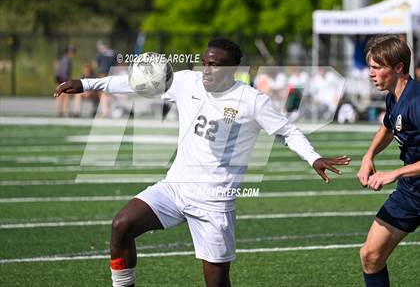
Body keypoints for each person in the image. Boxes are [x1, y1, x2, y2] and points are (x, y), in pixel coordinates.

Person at [55, 37, 351, 287]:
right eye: (204, 62)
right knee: (121, 224)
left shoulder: (251, 101)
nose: (206, 69)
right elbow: (136, 83)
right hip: (174, 188)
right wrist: (85, 83)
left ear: (233, 69)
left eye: (215, 64)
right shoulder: (187, 81)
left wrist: (314, 157)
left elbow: (288, 131)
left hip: (214, 201)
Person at [357, 35, 420, 287]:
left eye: (377, 67)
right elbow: (388, 126)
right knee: (371, 256)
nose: (371, 73)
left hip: (409, 181)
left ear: (398, 68)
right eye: (370, 67)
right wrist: (368, 155)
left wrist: (394, 173)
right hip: (411, 192)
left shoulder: (417, 102)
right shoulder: (394, 95)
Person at [96, 40, 117, 117]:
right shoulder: (113, 53)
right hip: (112, 74)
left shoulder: (100, 54)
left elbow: (98, 64)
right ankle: (108, 110)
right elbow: (116, 63)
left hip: (103, 74)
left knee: (102, 93)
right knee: (109, 92)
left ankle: (105, 111)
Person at [54, 45, 75, 117]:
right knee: (64, 96)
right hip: (63, 80)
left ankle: (59, 112)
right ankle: (65, 112)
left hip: (61, 80)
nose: (73, 54)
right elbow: (63, 72)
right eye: (71, 52)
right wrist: (66, 83)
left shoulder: (63, 59)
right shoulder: (65, 60)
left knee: (61, 96)